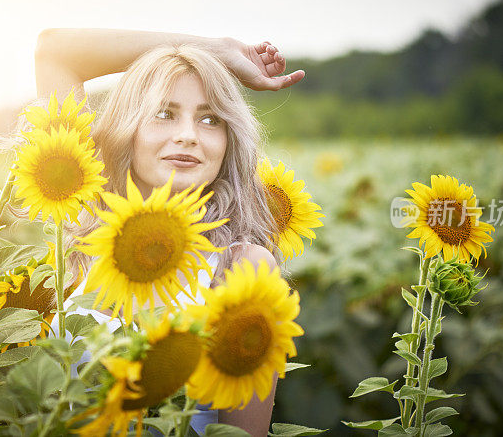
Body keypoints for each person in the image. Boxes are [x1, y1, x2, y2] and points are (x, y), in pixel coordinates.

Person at [35, 28, 305, 436]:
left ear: (228, 142)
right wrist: (217, 49)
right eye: (164, 113)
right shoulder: (84, 225)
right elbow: (54, 50)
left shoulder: (240, 268)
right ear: (128, 127)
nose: (188, 135)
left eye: (210, 119)